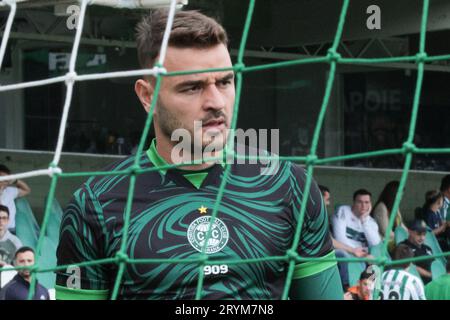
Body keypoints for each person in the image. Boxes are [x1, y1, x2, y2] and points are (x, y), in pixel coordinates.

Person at [55, 9, 343, 300]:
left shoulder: (289, 186)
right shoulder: (95, 204)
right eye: (192, 87)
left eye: (225, 82)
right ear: (147, 96)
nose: (216, 102)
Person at [319, 185, 370, 289]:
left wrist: (354, 251)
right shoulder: (313, 214)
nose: (329, 203)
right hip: (314, 254)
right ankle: (346, 288)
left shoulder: (321, 214)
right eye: (327, 200)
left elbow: (331, 240)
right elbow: (332, 242)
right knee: (342, 254)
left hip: (325, 250)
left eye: (367, 202)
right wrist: (353, 251)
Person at [371, 181, 405, 247]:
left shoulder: (395, 206)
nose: (401, 197)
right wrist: (402, 236)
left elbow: (401, 224)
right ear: (392, 193)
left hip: (395, 240)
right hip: (384, 244)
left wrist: (410, 233)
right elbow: (386, 232)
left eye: (402, 194)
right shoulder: (381, 207)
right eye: (400, 194)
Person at [399, 220, 434, 284]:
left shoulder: (427, 248)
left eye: (424, 234)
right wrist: (431, 275)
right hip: (417, 284)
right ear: (409, 232)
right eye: (419, 234)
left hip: (434, 281)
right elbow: (410, 266)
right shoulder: (403, 247)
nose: (422, 238)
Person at [0, 164, 32, 234]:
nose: (4, 182)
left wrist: (16, 181)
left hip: (10, 229)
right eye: (2, 179)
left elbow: (27, 190)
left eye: (6, 180)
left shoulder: (10, 190)